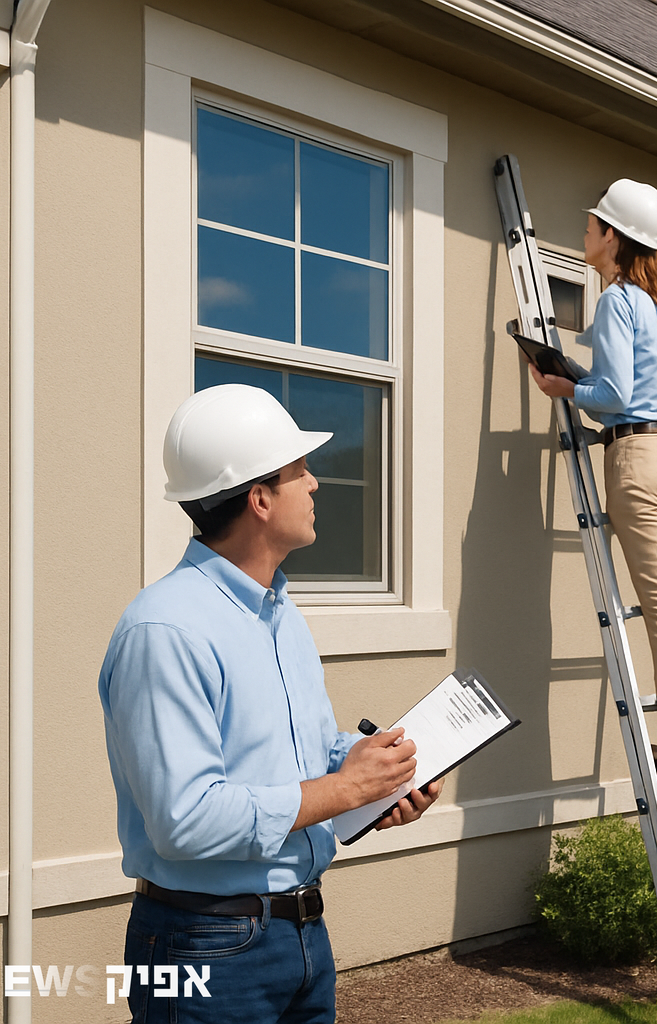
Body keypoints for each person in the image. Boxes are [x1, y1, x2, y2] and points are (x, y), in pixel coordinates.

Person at [98, 384, 441, 1023]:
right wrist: (344, 790)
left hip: (303, 934)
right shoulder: (165, 631)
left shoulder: (280, 613)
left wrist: (377, 774)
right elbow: (185, 819)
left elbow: (308, 754)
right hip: (203, 946)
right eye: (299, 470)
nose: (315, 483)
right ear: (259, 499)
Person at [528, 178, 657, 786]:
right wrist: (581, 377)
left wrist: (565, 387)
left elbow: (614, 396)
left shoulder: (616, 300)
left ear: (613, 237)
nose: (585, 232)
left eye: (593, 225)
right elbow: (631, 386)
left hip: (639, 461)